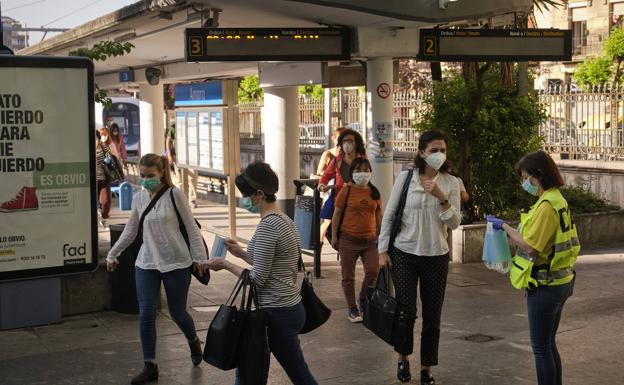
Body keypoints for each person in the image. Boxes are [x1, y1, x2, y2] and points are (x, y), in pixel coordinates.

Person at [200, 161, 318, 385]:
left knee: (292, 375)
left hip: (277, 312)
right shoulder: (283, 219)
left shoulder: (268, 226)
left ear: (260, 194)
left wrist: (225, 265)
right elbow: (271, 264)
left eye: (246, 195)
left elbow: (257, 279)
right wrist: (241, 253)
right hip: (288, 307)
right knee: (253, 372)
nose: (245, 200)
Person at [106, 153, 208, 385]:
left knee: (178, 313)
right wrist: (114, 253)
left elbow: (192, 228)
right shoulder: (139, 198)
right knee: (146, 314)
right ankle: (150, 365)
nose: (145, 180)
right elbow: (131, 230)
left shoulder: (175, 194)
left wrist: (199, 258)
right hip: (147, 262)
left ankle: (193, 340)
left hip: (176, 262)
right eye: (142, 176)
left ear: (161, 173)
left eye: (150, 176)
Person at [487, 150, 579, 385]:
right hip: (560, 280)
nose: (523, 182)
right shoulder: (557, 199)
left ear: (538, 175)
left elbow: (531, 248)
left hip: (546, 284)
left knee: (540, 347)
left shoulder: (547, 205)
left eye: (526, 176)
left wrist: (504, 226)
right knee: (548, 344)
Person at [377, 130, 461, 384]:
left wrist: (441, 198)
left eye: (443, 150)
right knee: (406, 312)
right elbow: (390, 215)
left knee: (433, 315)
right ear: (422, 152)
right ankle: (403, 360)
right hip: (404, 253)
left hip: (436, 255)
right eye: (434, 150)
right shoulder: (406, 178)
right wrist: (382, 250)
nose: (439, 155)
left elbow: (455, 223)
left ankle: (426, 367)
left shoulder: (451, 183)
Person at [331, 158, 382, 323]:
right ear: (352, 173)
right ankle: (352, 308)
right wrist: (334, 236)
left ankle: (362, 298)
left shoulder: (374, 192)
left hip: (370, 241)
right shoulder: (347, 190)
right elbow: (337, 214)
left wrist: (383, 237)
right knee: (348, 276)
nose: (363, 174)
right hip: (348, 240)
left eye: (366, 170)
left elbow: (379, 216)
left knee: (373, 272)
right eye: (359, 170)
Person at [318, 129, 366, 244]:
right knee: (334, 224)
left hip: (357, 199)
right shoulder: (337, 159)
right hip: (339, 198)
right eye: (345, 141)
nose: (347, 144)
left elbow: (367, 176)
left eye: (350, 141)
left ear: (356, 143)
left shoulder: (362, 159)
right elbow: (326, 175)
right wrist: (321, 186)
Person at [314, 126, 347, 244]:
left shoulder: (354, 157)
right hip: (331, 191)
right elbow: (321, 173)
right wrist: (328, 180)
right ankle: (320, 241)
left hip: (341, 189)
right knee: (328, 220)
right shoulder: (329, 154)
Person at [166, 123, 198, 208]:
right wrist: (169, 154)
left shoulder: (193, 124)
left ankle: (192, 199)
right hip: (178, 156)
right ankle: (182, 198)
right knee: (179, 178)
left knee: (192, 177)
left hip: (192, 156)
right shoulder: (174, 126)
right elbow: (169, 140)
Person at [95, 127, 121, 228]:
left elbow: (111, 157)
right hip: (90, 181)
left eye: (96, 137)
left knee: (105, 202)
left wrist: (108, 161)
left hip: (103, 179)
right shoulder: (84, 149)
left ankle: (104, 218)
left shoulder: (103, 146)